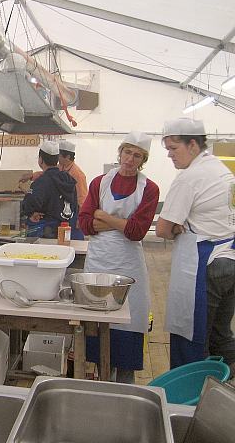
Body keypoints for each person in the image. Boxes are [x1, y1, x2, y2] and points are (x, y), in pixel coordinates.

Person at [78, 131, 159, 383]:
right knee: (98, 324)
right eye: (127, 152)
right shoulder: (99, 182)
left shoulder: (150, 189)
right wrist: (122, 223)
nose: (130, 159)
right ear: (120, 152)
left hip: (129, 264)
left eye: (137, 155)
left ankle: (125, 388)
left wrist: (103, 216)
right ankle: (100, 383)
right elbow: (84, 223)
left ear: (142, 160)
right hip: (99, 260)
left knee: (128, 322)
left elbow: (137, 232)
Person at [156, 118, 235, 369]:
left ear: (193, 144)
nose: (170, 155)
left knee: (193, 336)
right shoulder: (220, 169)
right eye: (167, 149)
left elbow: (162, 229)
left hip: (207, 266)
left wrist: (177, 227)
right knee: (221, 335)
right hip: (229, 260)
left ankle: (189, 398)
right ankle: (224, 390)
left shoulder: (189, 178)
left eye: (174, 148)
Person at [21, 141, 78, 238]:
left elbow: (29, 204)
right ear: (57, 159)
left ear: (41, 160)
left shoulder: (41, 182)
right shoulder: (68, 179)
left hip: (45, 233)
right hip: (65, 233)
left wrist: (31, 212)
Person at [58, 140, 88, 240]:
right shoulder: (60, 167)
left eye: (59, 156)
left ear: (67, 157)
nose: (57, 158)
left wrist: (80, 218)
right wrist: (32, 176)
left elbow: (82, 198)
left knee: (74, 241)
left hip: (75, 214)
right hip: (64, 212)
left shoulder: (77, 174)